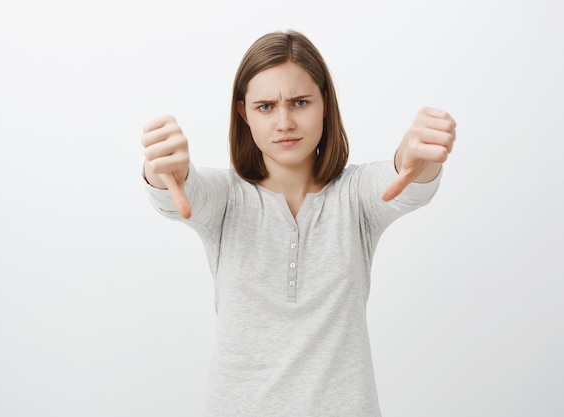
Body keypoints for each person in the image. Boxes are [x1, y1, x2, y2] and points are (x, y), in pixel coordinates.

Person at [140, 30, 455, 417]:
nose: (285, 121)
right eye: (266, 107)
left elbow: (402, 182)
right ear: (244, 113)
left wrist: (417, 158)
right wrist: (164, 170)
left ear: (325, 105)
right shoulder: (226, 198)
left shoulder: (354, 196)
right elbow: (182, 193)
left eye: (300, 102)